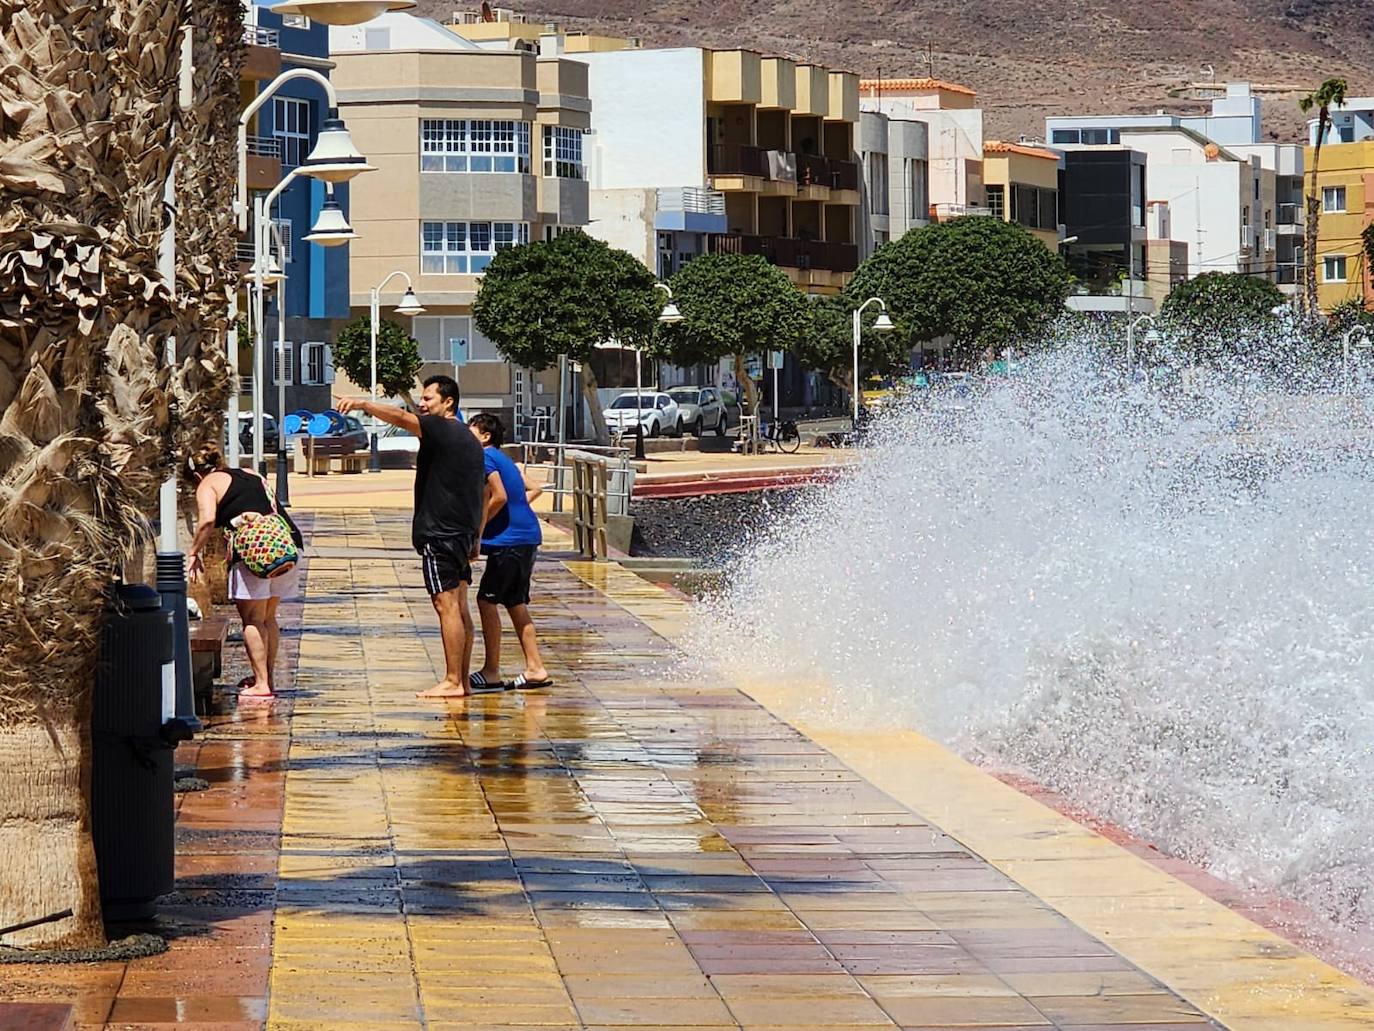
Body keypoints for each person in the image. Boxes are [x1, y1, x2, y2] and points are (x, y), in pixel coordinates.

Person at [338, 376, 491, 697]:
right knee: (460, 608)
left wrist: (364, 404)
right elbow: (481, 492)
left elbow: (404, 419)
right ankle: (460, 681)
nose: (422, 405)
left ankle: (451, 681)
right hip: (461, 534)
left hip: (440, 534)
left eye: (428, 398)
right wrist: (476, 537)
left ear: (448, 402)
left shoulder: (440, 427)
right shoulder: (469, 439)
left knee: (445, 606)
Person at [186, 444, 303, 700]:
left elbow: (207, 520)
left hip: (254, 554)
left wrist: (193, 552)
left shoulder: (207, 484)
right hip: (286, 547)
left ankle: (261, 685)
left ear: (196, 475)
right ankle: (266, 679)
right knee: (269, 617)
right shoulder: (251, 473)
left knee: (252, 619)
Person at [467, 413, 552, 691]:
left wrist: (477, 533)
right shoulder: (504, 459)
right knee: (515, 603)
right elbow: (521, 494)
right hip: (526, 538)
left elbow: (499, 496)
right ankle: (535, 668)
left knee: (486, 601)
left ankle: (491, 671)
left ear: (485, 436)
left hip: (511, 542)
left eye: (471, 432)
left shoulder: (485, 457)